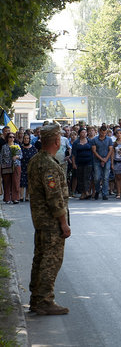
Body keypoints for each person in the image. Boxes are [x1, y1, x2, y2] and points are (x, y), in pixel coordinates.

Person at [27, 123, 71, 315]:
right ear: (56, 140)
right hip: (51, 220)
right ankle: (45, 300)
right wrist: (64, 223)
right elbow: (54, 197)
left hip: (40, 219)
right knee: (51, 260)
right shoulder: (48, 165)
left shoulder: (36, 161)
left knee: (40, 258)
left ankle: (36, 298)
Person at [91, 125, 113, 200]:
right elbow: (94, 151)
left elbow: (110, 150)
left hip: (107, 160)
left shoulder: (109, 139)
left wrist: (106, 159)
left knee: (105, 178)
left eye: (105, 133)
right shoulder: (94, 140)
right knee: (97, 177)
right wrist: (101, 159)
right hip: (97, 160)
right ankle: (97, 190)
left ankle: (104, 193)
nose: (103, 134)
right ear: (99, 131)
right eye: (102, 133)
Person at [71, 128, 93, 200]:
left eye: (85, 132)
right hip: (79, 162)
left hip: (88, 161)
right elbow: (73, 154)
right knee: (80, 178)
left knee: (86, 177)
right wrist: (74, 163)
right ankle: (83, 193)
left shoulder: (90, 141)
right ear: (79, 133)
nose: (84, 134)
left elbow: (93, 151)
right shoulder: (76, 142)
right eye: (82, 132)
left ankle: (86, 191)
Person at [1, 133, 22, 204]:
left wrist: (16, 157)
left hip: (16, 165)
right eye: (10, 137)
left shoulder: (17, 146)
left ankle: (15, 198)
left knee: (16, 182)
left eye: (13, 137)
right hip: (6, 166)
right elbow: (1, 157)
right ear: (7, 138)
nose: (12, 138)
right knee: (7, 182)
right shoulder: (4, 147)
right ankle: (7, 198)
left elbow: (21, 155)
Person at [20, 133, 38, 202]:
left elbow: (36, 157)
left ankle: (27, 196)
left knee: (28, 182)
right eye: (25, 138)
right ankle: (21, 196)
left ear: (29, 139)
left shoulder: (33, 148)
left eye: (27, 138)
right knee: (22, 182)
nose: (26, 140)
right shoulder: (20, 147)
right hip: (22, 166)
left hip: (30, 166)